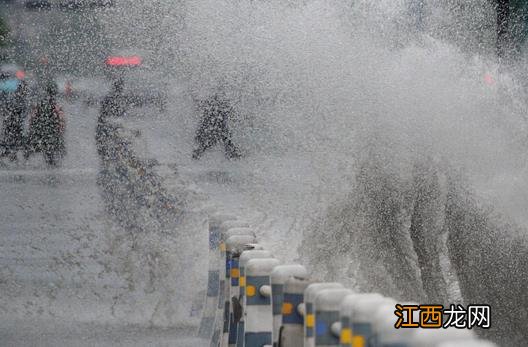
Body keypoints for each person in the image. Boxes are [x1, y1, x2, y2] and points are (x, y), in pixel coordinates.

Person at [25, 81, 66, 165]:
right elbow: (61, 121)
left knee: (40, 147)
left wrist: (32, 129)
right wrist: (60, 130)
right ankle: (52, 161)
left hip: (41, 133)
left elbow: (32, 118)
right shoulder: (55, 105)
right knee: (51, 150)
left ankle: (27, 157)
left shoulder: (41, 103)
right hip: (50, 133)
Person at [192, 92, 241, 160]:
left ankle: (195, 157)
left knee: (204, 144)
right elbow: (231, 113)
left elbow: (200, 105)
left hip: (213, 126)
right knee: (225, 142)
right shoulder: (222, 104)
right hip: (215, 126)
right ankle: (234, 156)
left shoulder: (211, 104)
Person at [1, 81, 28, 161]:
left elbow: (8, 109)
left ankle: (11, 155)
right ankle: (11, 155)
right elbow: (17, 111)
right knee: (13, 141)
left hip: (12, 124)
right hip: (14, 124)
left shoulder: (17, 97)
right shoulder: (20, 99)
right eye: (25, 89)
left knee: (11, 141)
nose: (26, 91)